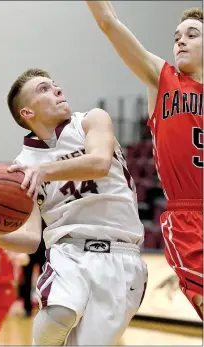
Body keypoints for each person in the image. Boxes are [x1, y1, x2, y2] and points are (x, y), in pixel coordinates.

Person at [0, 68, 147, 345]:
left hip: (123, 255)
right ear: (27, 113)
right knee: (59, 313)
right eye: (43, 89)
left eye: (55, 85)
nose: (57, 90)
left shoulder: (91, 121)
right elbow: (31, 239)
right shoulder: (22, 166)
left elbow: (100, 163)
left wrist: (44, 170)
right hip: (69, 252)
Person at [86, 2, 203, 318]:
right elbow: (109, 23)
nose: (180, 41)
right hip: (189, 218)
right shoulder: (162, 78)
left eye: (192, 35)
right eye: (177, 36)